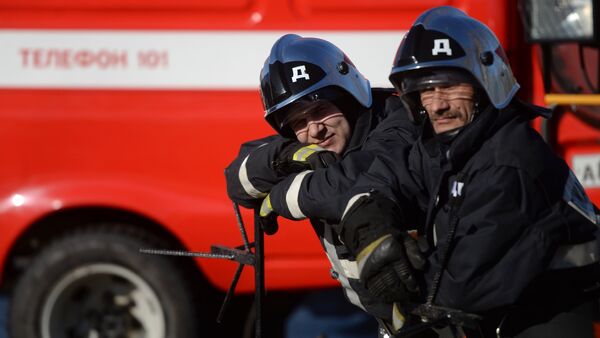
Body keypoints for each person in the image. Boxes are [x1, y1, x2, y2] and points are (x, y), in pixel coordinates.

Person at [339, 6, 600, 338]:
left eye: (448, 86)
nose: (437, 104)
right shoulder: (450, 144)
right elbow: (388, 178)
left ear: (485, 84)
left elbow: (458, 288)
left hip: (545, 319)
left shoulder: (509, 162)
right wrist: (371, 222)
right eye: (426, 91)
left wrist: (398, 267)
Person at [224, 34, 422, 337]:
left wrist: (281, 196)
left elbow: (353, 183)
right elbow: (236, 179)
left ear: (347, 96)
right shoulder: (306, 144)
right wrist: (286, 156)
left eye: (319, 111)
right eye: (298, 122)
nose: (314, 130)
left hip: (433, 315)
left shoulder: (400, 124)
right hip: (383, 316)